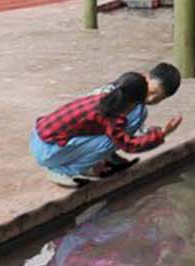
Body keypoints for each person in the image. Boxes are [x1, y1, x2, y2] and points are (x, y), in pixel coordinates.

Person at [31, 63, 182, 187]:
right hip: (47, 149)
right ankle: (63, 170)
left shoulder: (115, 97)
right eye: (152, 92)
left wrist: (150, 132)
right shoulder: (111, 112)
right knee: (110, 140)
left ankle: (99, 160)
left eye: (158, 98)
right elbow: (128, 144)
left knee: (123, 128)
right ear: (145, 77)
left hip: (43, 138)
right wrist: (162, 133)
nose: (151, 98)